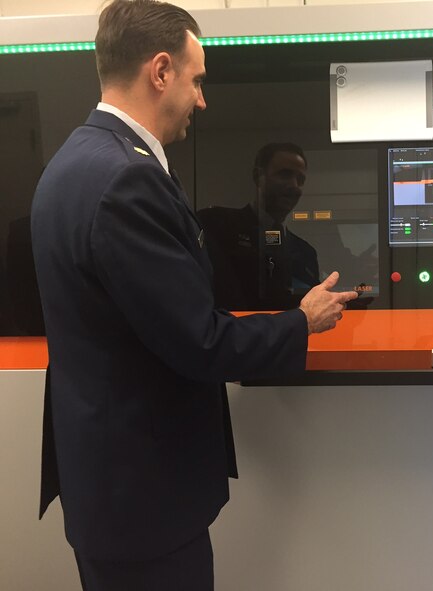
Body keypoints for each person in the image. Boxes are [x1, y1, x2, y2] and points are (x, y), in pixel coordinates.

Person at [30, 1, 357, 589]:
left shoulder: (71, 163)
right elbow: (198, 341)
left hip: (107, 481)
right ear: (160, 72)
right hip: (143, 498)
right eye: (197, 79)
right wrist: (301, 322)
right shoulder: (126, 179)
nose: (202, 100)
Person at [197, 142, 319, 311]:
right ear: (258, 176)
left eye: (301, 179)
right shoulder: (215, 225)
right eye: (284, 174)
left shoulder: (305, 252)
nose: (294, 185)